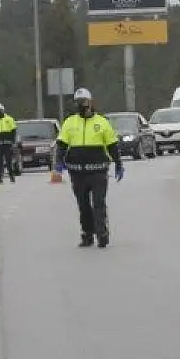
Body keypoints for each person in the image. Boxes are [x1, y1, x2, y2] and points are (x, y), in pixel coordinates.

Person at [54, 88, 124, 248]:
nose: (81, 106)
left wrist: (118, 164)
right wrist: (58, 163)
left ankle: (102, 234)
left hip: (98, 171)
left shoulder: (102, 122)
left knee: (98, 203)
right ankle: (87, 234)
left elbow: (112, 145)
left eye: (84, 102)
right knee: (83, 206)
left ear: (91, 102)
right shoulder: (69, 122)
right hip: (77, 172)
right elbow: (61, 145)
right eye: (78, 103)